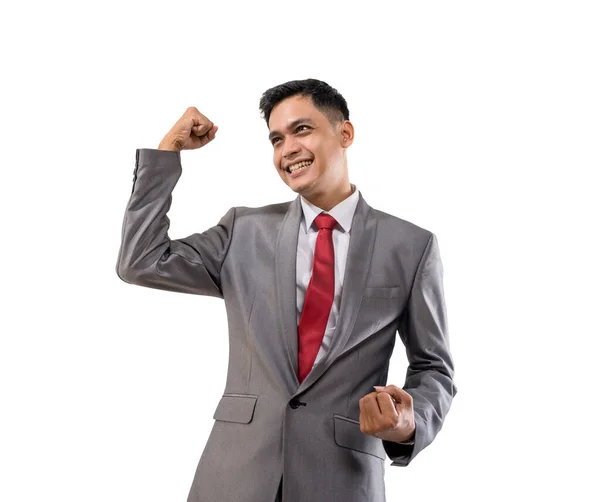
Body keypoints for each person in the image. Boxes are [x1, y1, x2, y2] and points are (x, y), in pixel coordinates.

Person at [116, 78, 456, 502]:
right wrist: (167, 154)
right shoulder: (243, 231)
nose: (287, 149)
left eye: (302, 130)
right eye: (276, 139)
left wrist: (409, 422)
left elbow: (433, 367)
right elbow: (141, 261)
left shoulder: (410, 246)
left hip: (342, 481)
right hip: (234, 478)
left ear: (345, 134)